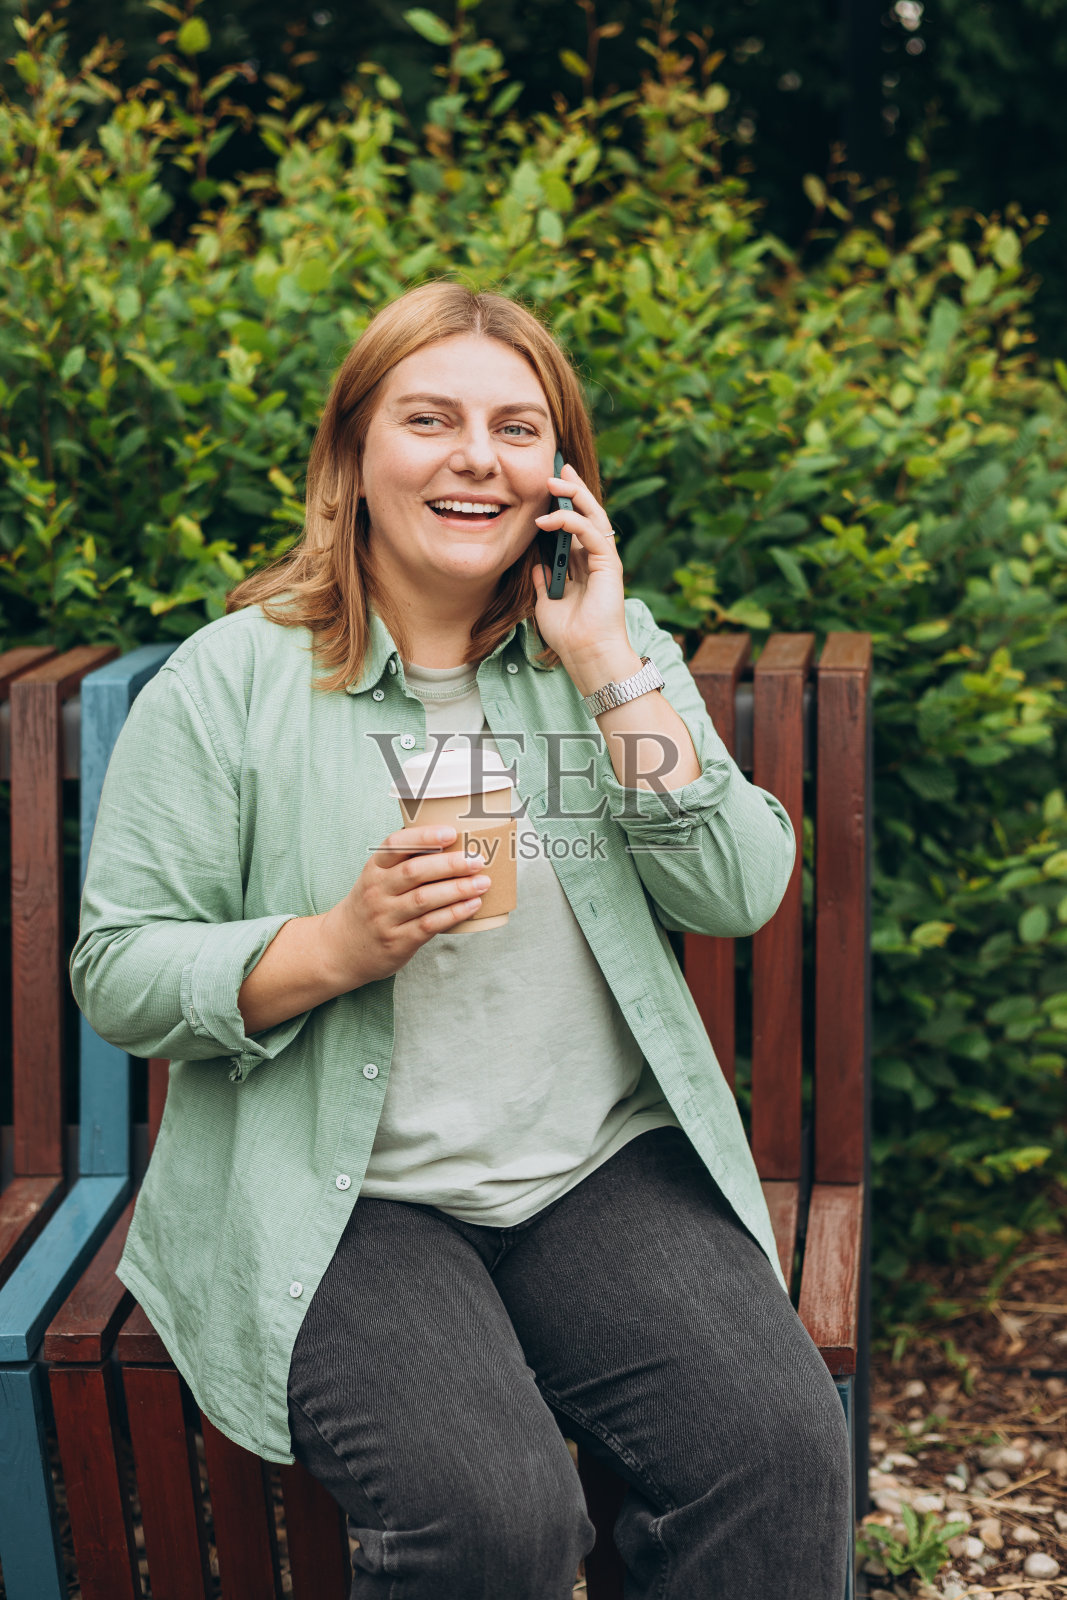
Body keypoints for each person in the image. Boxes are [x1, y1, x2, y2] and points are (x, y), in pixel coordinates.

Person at [72, 281, 853, 1600]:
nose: (476, 457)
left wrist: (608, 664)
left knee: (777, 1454)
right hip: (343, 1194)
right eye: (429, 418)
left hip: (591, 1169)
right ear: (352, 455)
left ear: (560, 474)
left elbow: (739, 884)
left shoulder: (602, 656)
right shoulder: (232, 682)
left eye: (517, 427)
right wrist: (333, 945)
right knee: (490, 1514)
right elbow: (122, 967)